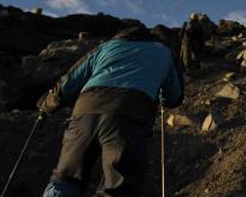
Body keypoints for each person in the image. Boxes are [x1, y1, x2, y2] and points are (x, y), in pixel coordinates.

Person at [38, 26, 184, 197]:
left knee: (65, 178)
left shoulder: (107, 47)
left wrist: (47, 106)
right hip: (130, 115)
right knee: (119, 186)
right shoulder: (163, 53)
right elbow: (174, 96)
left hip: (86, 112)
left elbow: (70, 81)